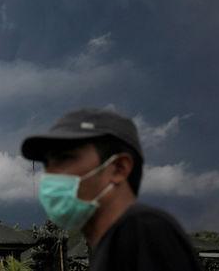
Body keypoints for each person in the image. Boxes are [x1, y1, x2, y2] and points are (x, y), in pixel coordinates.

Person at [21, 108, 201, 271]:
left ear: (119, 168)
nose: (51, 174)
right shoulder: (109, 243)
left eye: (65, 158)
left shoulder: (142, 231)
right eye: (48, 163)